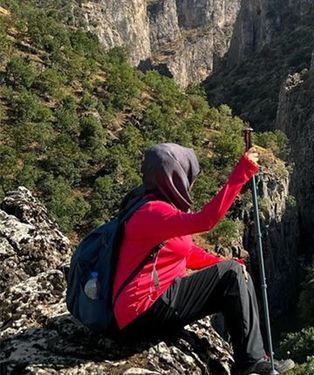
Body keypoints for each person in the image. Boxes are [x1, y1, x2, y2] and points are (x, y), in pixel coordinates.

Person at [112, 143, 294, 374]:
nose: (191, 182)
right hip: (142, 311)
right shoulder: (153, 211)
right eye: (188, 176)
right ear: (173, 176)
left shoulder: (154, 204)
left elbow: (186, 253)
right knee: (232, 275)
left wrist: (220, 262)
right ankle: (252, 363)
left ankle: (254, 357)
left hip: (146, 306)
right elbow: (206, 221)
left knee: (233, 272)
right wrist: (242, 172)